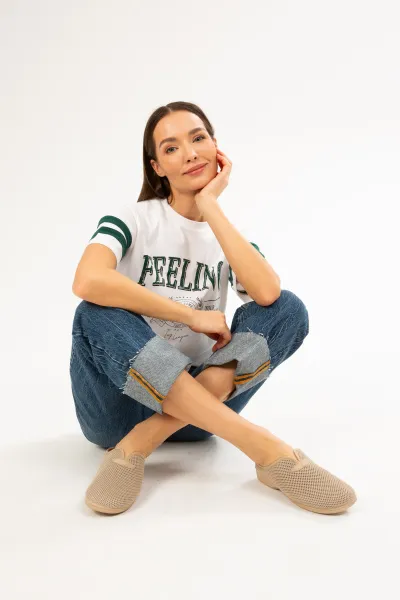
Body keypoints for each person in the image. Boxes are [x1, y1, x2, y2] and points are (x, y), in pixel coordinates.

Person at [70, 101, 357, 516]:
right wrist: (189, 315)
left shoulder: (227, 238)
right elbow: (87, 280)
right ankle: (267, 450)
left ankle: (139, 444)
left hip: (199, 415)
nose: (189, 153)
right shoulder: (133, 219)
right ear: (156, 167)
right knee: (94, 312)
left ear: (216, 147)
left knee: (288, 307)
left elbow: (269, 295)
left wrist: (210, 206)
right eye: (171, 148)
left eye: (198, 138)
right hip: (118, 410)